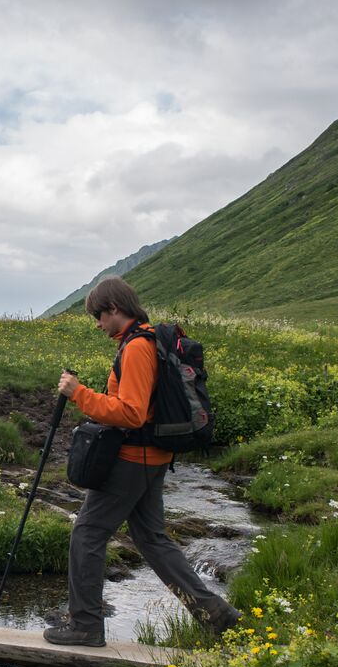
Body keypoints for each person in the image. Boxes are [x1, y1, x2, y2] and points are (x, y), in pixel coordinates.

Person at [43, 276, 241, 647]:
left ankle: (84, 625)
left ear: (115, 309)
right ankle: (216, 614)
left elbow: (132, 413)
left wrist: (79, 394)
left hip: (132, 459)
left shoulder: (137, 348)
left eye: (99, 317)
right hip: (152, 458)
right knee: (152, 539)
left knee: (87, 534)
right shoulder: (148, 340)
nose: (98, 325)